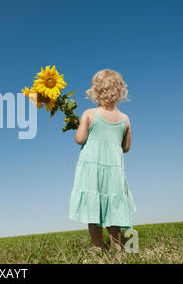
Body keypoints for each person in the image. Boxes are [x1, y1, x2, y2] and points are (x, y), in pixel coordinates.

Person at [69, 69, 136, 251]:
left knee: (94, 206)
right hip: (113, 170)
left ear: (95, 91)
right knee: (113, 207)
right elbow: (126, 148)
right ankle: (118, 247)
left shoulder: (89, 114)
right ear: (121, 92)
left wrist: (78, 125)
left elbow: (79, 139)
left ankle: (97, 247)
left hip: (92, 170)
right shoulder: (125, 119)